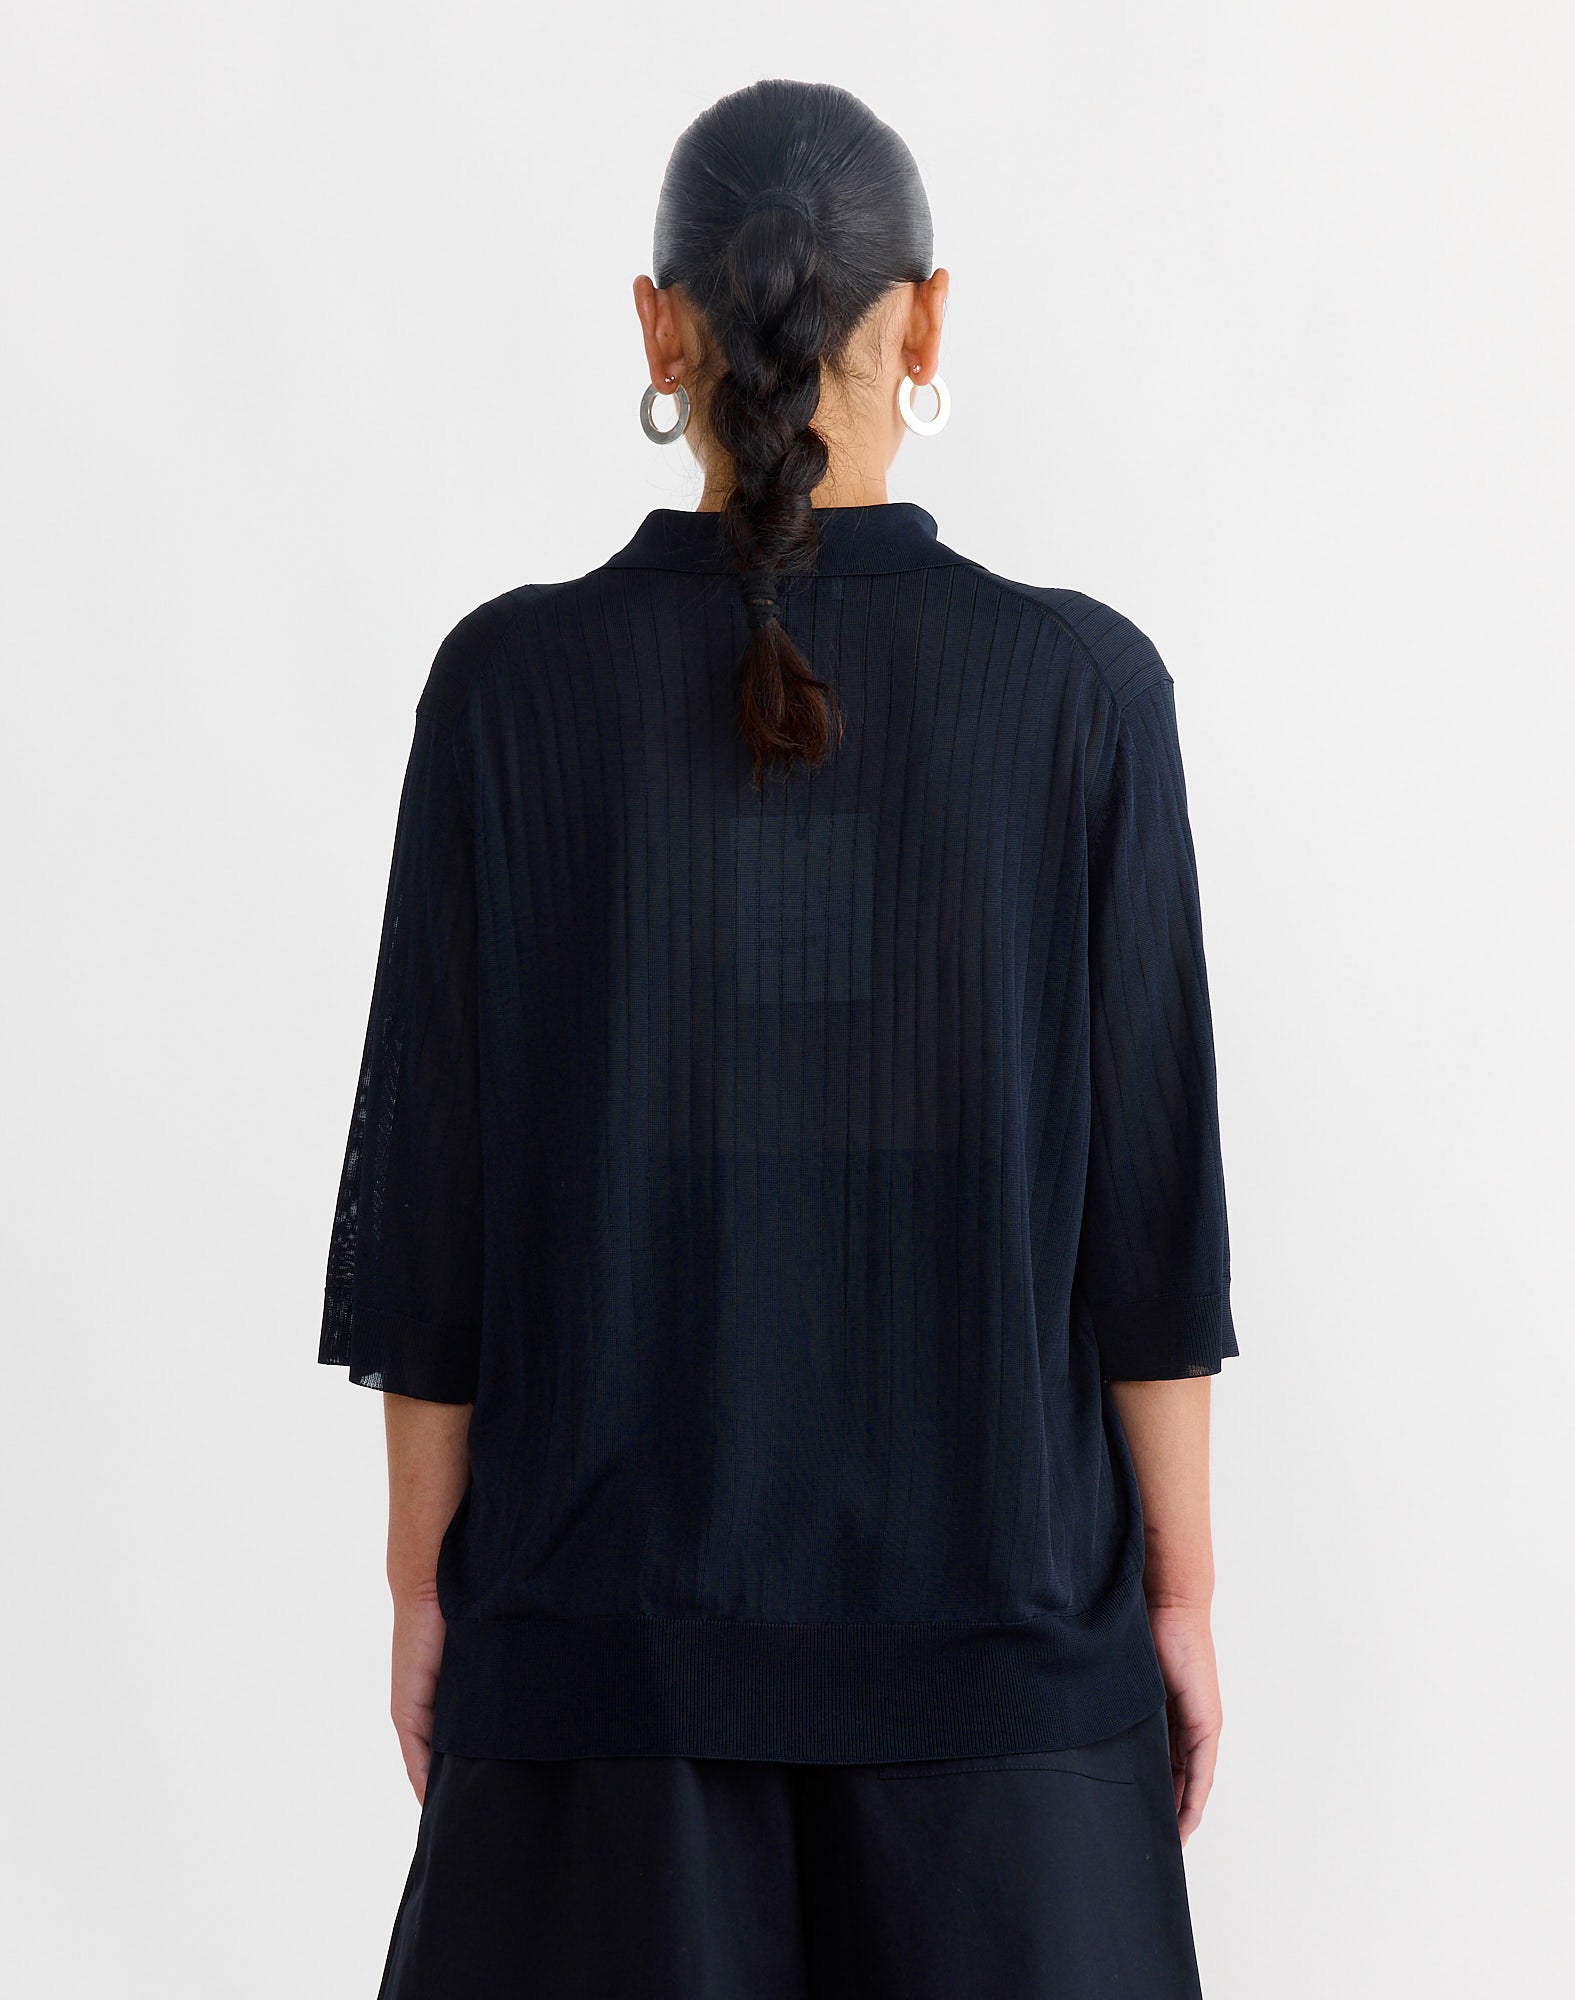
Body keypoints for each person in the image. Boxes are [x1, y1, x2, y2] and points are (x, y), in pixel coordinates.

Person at [318, 76, 1239, 2000]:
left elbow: (434, 1228)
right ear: (930, 321)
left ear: (656, 330)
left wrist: (421, 1589)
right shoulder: (1080, 695)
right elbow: (1152, 1231)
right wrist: (1185, 1596)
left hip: (598, 1674)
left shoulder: (507, 692)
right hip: (1005, 1687)